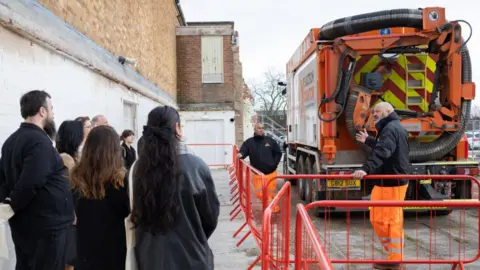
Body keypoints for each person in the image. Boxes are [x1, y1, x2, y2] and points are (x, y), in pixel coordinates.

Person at [131, 106, 220, 269]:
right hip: (190, 257)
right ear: (177, 128)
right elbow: (210, 217)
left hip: (150, 258)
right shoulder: (195, 166)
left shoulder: (138, 169)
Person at [0, 90, 74, 270]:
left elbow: (3, 180)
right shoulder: (39, 141)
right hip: (45, 229)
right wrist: (12, 205)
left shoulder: (10, 141)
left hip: (27, 226)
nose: (53, 113)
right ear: (42, 111)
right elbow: (32, 181)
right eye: (51, 108)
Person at [353, 102, 410, 270]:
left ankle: (395, 258)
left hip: (393, 182)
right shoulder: (389, 128)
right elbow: (385, 146)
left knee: (391, 221)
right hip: (386, 182)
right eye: (374, 111)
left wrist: (366, 169)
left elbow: (384, 151)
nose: (375, 114)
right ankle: (393, 254)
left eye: (378, 111)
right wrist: (370, 140)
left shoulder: (391, 128)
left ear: (389, 111)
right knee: (377, 218)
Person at [70, 125, 129, 270]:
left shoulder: (77, 179)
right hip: (115, 256)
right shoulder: (122, 182)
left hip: (85, 255)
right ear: (115, 151)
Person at [55, 120, 84, 270]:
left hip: (70, 216)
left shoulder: (70, 157)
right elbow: (70, 189)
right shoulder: (66, 159)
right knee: (69, 261)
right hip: (69, 218)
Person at [236, 122, 282, 210]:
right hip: (258, 174)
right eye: (259, 128)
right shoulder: (249, 142)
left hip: (271, 173)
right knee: (259, 194)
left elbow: (278, 153)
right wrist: (240, 154)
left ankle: (271, 211)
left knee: (270, 194)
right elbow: (243, 151)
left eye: (262, 128)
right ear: (254, 129)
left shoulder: (270, 141)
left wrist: (274, 164)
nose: (261, 130)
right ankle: (271, 208)